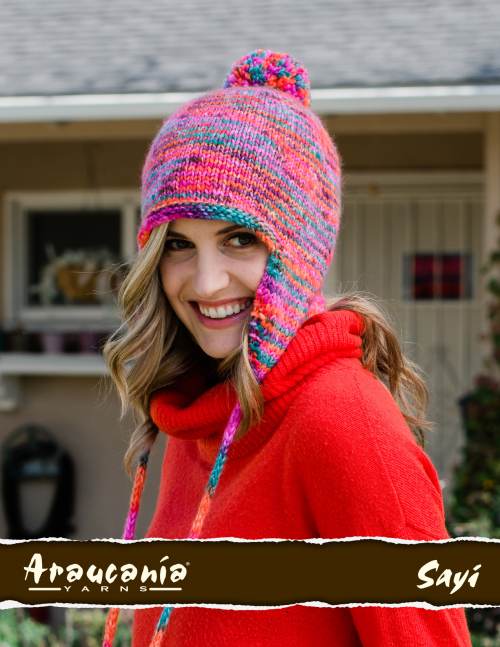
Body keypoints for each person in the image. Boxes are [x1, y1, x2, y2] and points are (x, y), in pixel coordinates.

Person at [101, 49, 472, 646]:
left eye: (239, 239)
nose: (206, 283)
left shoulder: (343, 422)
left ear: (298, 253)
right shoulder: (196, 415)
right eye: (177, 244)